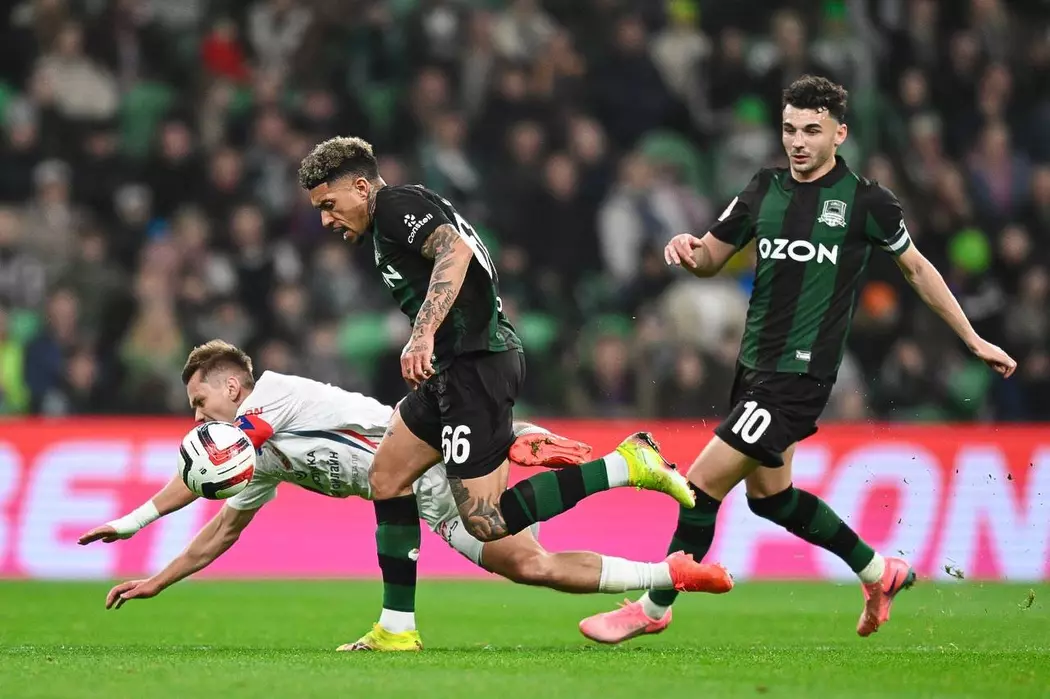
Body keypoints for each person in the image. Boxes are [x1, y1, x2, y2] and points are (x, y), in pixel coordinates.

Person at [579, 75, 1017, 644]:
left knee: (700, 485)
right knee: (772, 499)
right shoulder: (763, 189)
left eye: (812, 130)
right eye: (789, 129)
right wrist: (689, 250)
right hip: (754, 368)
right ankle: (878, 571)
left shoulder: (867, 202)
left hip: (799, 375)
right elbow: (711, 258)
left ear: (840, 133)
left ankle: (654, 606)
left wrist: (972, 339)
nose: (798, 142)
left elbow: (917, 269)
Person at [79, 340, 732, 651]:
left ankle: (621, 464)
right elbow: (223, 530)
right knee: (531, 565)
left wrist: (135, 518)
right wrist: (157, 581)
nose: (198, 417)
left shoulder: (272, 395)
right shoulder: (256, 459)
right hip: (425, 496)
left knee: (495, 518)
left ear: (231, 386)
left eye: (200, 402)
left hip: (433, 456)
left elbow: (205, 465)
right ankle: (668, 574)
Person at [295, 137, 698, 553]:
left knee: (486, 522)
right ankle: (398, 615)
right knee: (386, 478)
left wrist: (422, 334)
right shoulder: (400, 211)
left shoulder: (394, 206)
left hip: (475, 364)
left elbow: (455, 250)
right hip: (451, 366)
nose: (325, 220)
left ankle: (624, 464)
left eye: (329, 205)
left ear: (362, 187)